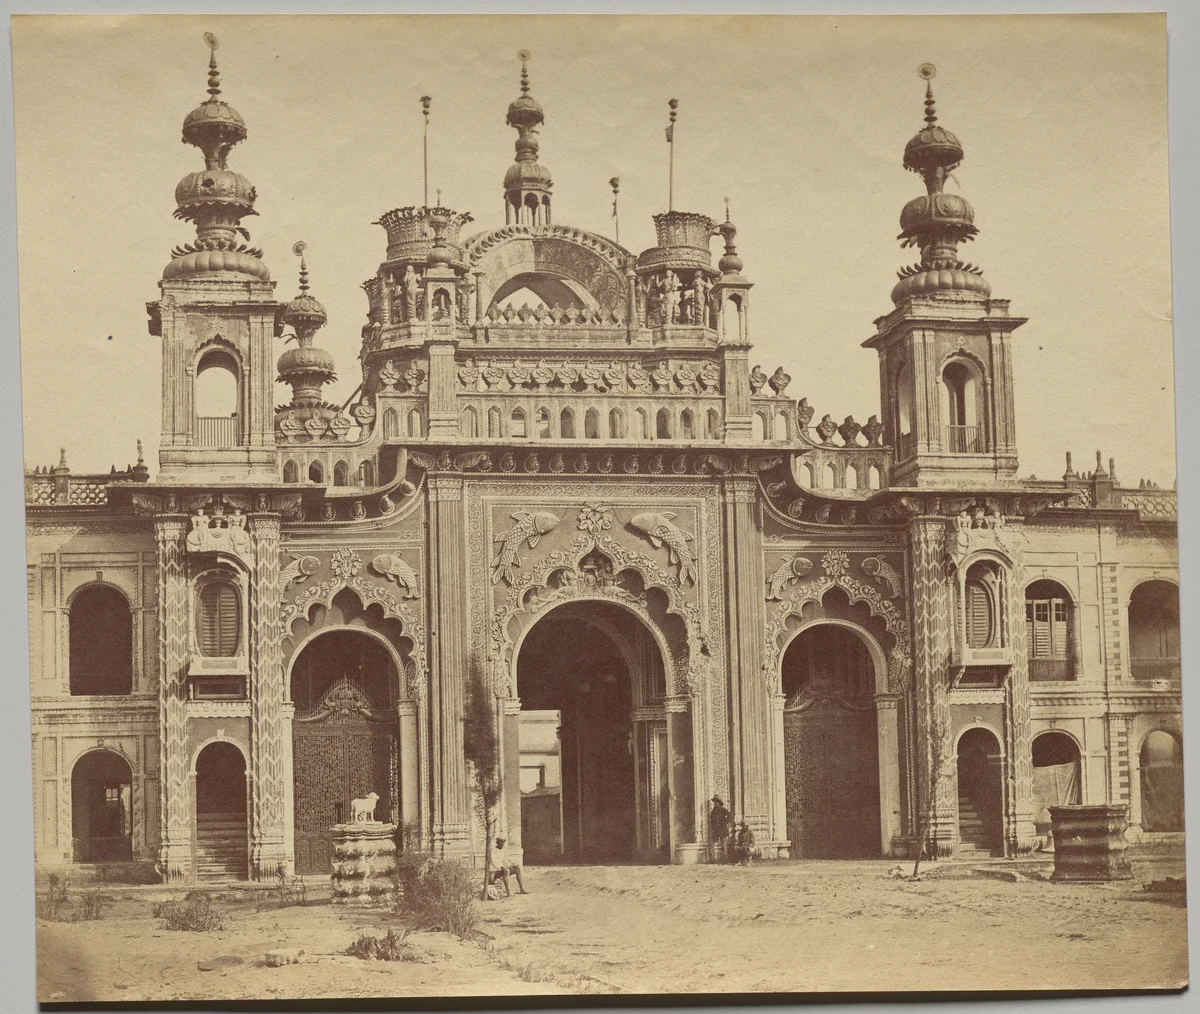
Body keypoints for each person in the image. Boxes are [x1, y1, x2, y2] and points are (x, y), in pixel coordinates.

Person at [708, 795, 731, 863]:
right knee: (711, 842)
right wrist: (713, 827)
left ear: (719, 803)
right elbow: (712, 821)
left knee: (723, 845)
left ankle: (723, 860)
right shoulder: (713, 811)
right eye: (714, 802)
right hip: (715, 830)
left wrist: (724, 823)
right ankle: (713, 859)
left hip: (722, 829)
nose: (715, 803)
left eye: (716, 802)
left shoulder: (723, 810)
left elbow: (730, 816)